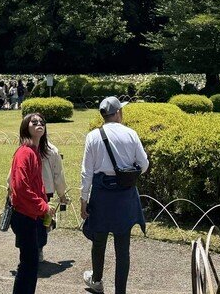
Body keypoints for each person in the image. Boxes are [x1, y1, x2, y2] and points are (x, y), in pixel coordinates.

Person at [81, 97, 148, 294]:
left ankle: (97, 280)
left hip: (101, 195)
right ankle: (120, 291)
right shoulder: (131, 134)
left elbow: (87, 172)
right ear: (118, 112)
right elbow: (144, 165)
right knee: (122, 247)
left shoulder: (93, 136)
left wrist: (83, 199)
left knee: (99, 241)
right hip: (124, 195)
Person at [8, 113, 53, 294]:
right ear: (26, 127)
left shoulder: (34, 151)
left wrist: (44, 209)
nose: (39, 124)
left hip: (32, 214)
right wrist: (43, 206)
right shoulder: (25, 152)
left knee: (30, 263)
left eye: (42, 121)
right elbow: (20, 187)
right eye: (34, 122)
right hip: (24, 215)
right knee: (28, 264)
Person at [39, 127, 69, 262]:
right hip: (46, 190)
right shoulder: (52, 150)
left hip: (31, 191)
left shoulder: (24, 148)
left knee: (31, 220)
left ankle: (32, 249)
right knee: (43, 222)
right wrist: (62, 193)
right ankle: (39, 250)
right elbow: (58, 176)